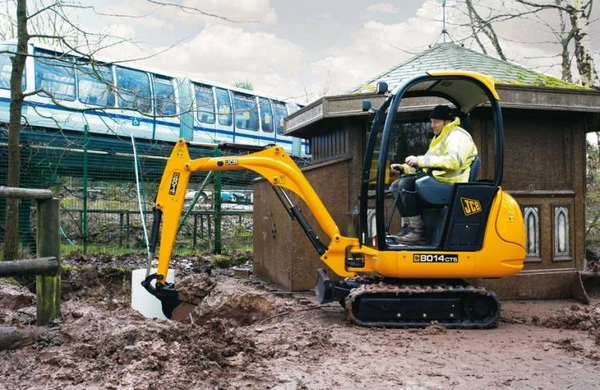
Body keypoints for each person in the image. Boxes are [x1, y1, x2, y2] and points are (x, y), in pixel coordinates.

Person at [389, 105, 478, 245]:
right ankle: (409, 228)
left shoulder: (457, 136)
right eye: (431, 122)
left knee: (407, 185)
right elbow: (425, 166)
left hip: (452, 183)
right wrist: (405, 168)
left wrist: (419, 160)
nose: (432, 125)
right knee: (396, 185)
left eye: (435, 121)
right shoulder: (440, 138)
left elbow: (453, 162)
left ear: (447, 122)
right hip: (439, 180)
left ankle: (418, 233)